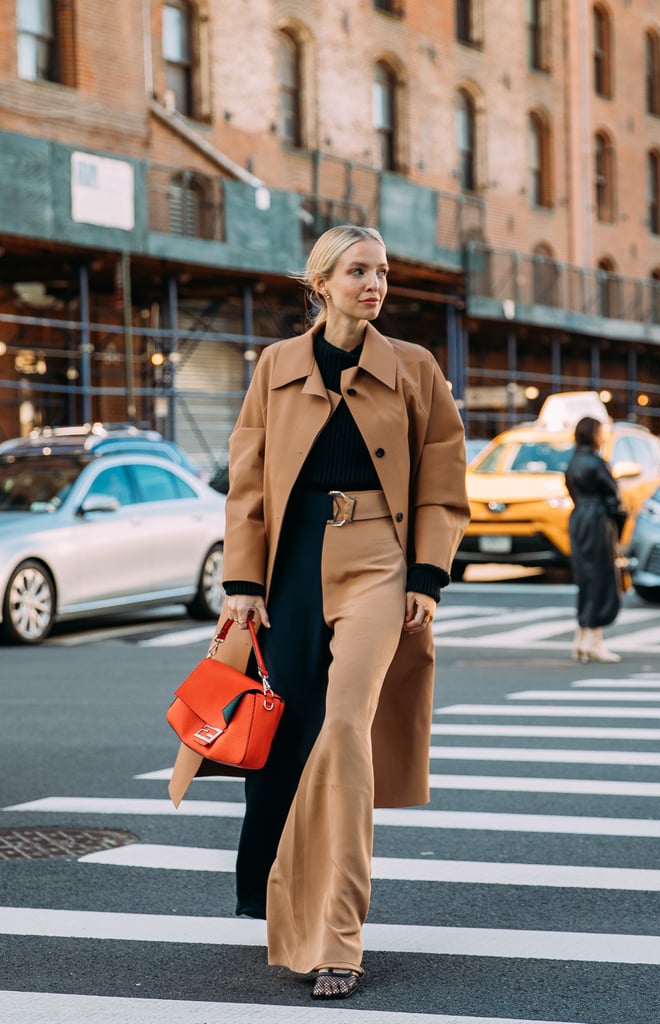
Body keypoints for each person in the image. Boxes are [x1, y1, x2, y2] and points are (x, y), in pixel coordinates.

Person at [168, 224, 469, 999]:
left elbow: (442, 475)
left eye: (382, 271)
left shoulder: (414, 367)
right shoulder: (275, 367)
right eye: (358, 271)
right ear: (320, 282)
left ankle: (337, 934)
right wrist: (242, 583)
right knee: (285, 733)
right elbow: (249, 484)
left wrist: (427, 576)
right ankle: (274, 878)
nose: (375, 284)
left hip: (378, 560)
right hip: (291, 564)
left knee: (344, 729)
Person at [565, 415, 625, 663]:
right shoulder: (597, 464)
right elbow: (614, 500)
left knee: (585, 579)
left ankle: (581, 639)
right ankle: (593, 641)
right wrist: (619, 527)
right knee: (601, 578)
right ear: (593, 434)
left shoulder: (573, 463)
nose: (604, 436)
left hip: (578, 519)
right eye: (601, 432)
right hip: (598, 522)